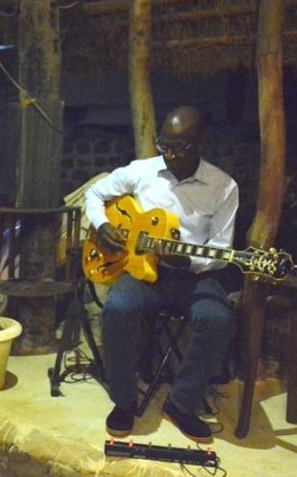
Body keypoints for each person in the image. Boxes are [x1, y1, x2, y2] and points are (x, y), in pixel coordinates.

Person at [84, 106, 238, 443]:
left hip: (193, 276)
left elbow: (221, 249)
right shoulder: (142, 171)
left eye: (179, 148)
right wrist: (103, 225)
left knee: (219, 319)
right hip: (142, 270)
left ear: (200, 145)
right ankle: (124, 401)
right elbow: (94, 194)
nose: (170, 155)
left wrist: (187, 261)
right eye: (164, 145)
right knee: (117, 309)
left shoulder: (223, 186)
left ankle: (181, 404)